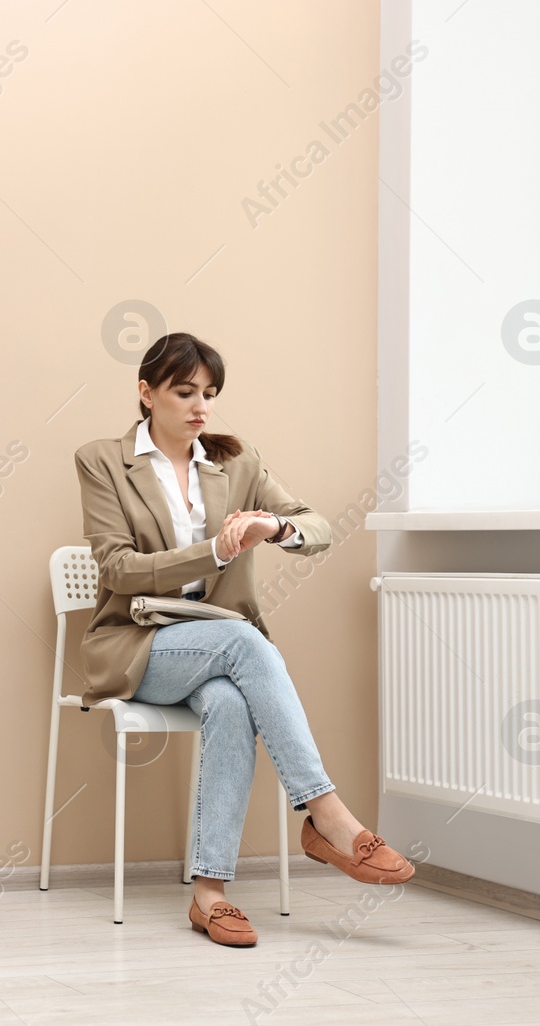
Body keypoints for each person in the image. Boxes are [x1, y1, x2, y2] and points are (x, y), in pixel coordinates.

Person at [74, 332, 414, 947]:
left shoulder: (235, 462)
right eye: (184, 391)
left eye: (209, 393)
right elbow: (116, 569)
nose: (200, 405)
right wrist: (212, 551)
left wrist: (272, 524)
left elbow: (318, 528)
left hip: (218, 647)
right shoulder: (102, 460)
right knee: (243, 643)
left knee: (232, 701)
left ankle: (210, 895)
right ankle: (327, 815)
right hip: (139, 644)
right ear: (147, 394)